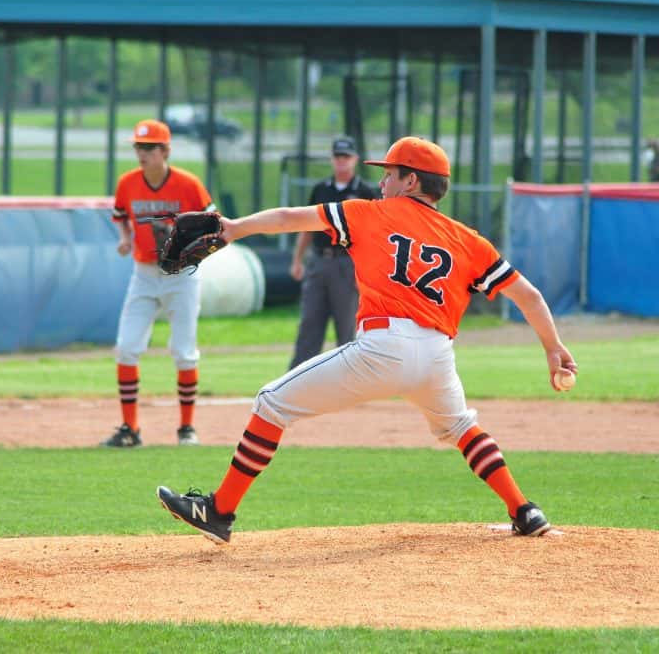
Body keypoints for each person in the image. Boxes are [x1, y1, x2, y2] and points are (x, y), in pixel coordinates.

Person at [157, 136, 578, 543]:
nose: (382, 181)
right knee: (460, 427)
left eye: (390, 173)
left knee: (271, 403)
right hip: (437, 355)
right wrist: (553, 347)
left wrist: (232, 228)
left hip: (384, 346)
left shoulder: (369, 213)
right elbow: (529, 296)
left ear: (411, 180)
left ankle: (220, 511)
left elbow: (287, 219)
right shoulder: (469, 240)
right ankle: (525, 511)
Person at [102, 119, 215, 448]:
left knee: (184, 352)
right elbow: (120, 217)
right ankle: (130, 429)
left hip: (180, 276)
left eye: (150, 147)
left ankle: (186, 428)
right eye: (139, 147)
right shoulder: (127, 183)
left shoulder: (188, 184)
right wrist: (125, 239)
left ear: (165, 150)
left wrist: (194, 248)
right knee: (126, 347)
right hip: (144, 275)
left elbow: (214, 223)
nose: (143, 153)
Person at [288, 136, 379, 369]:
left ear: (355, 159)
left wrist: (367, 271)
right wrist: (297, 260)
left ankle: (350, 377)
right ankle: (298, 376)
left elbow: (374, 236)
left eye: (346, 156)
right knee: (309, 323)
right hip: (319, 261)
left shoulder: (365, 191)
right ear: (332, 159)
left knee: (346, 326)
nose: (342, 161)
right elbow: (307, 228)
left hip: (348, 264)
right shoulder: (321, 189)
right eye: (338, 156)